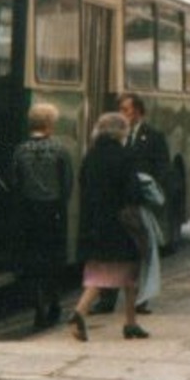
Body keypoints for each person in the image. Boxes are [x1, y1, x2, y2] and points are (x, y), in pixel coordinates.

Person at [67, 112, 149, 342]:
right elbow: (133, 192)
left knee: (122, 276)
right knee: (109, 276)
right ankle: (78, 313)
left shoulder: (90, 156)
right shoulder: (125, 156)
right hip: (119, 226)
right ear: (121, 132)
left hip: (93, 224)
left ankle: (131, 323)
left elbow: (82, 184)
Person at [92, 92, 168, 314]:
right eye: (121, 110)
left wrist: (152, 194)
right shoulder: (116, 138)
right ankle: (107, 300)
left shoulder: (153, 136)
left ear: (138, 112)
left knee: (142, 252)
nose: (123, 115)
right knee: (115, 251)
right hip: (119, 203)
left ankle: (140, 300)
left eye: (127, 110)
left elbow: (163, 168)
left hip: (140, 204)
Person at [10, 102, 73, 330]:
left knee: (33, 260)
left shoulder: (20, 150)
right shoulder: (60, 150)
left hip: (29, 210)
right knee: (53, 259)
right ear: (48, 124)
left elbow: (15, 182)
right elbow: (67, 184)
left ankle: (38, 309)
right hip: (53, 211)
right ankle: (54, 303)